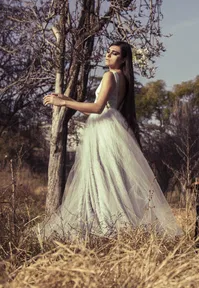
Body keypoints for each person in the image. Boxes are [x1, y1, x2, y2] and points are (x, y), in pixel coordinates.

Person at [42, 41, 182, 239]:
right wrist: (69, 99)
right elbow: (102, 106)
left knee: (101, 179)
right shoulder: (123, 78)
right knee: (109, 179)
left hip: (103, 129)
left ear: (124, 59)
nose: (108, 55)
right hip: (110, 127)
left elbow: (98, 108)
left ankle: (108, 229)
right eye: (108, 52)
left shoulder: (110, 76)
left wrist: (63, 103)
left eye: (114, 53)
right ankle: (111, 227)